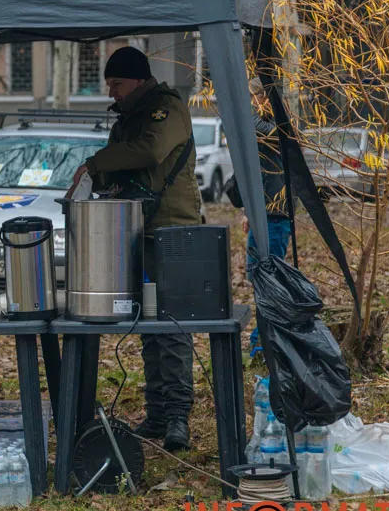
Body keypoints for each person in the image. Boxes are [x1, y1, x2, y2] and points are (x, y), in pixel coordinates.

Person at [67, 46, 202, 451]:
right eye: (109, 84)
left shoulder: (167, 110)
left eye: (117, 83)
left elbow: (151, 151)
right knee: (146, 325)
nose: (112, 92)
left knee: (172, 326)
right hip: (132, 230)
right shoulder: (125, 119)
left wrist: (96, 162)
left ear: (139, 80)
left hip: (171, 230)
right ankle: (158, 412)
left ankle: (178, 414)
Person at [235, 77, 293, 356]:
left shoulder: (280, 128)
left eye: (254, 98)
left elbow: (260, 135)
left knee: (268, 278)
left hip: (275, 217)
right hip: (265, 214)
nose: (252, 104)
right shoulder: (267, 126)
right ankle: (262, 342)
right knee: (259, 277)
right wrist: (250, 209)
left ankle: (263, 343)